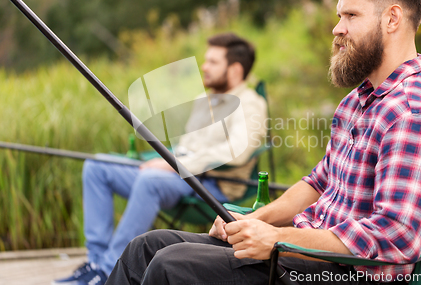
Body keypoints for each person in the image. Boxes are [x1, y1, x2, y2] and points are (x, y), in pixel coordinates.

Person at [106, 0, 421, 285]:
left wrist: (277, 238)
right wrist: (254, 221)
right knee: (146, 248)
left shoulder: (411, 110)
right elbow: (318, 181)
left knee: (171, 266)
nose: (337, 28)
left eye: (351, 16)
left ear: (392, 19)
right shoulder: (358, 101)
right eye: (339, 15)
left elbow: (397, 235)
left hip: (343, 272)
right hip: (303, 251)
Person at [53, 33, 267, 285]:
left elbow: (238, 151)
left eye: (212, 62)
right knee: (97, 166)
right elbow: (186, 145)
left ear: (235, 69)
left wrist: (174, 165)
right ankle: (96, 263)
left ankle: (108, 271)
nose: (204, 67)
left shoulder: (251, 103)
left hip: (212, 185)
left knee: (150, 180)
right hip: (177, 175)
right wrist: (163, 159)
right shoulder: (204, 100)